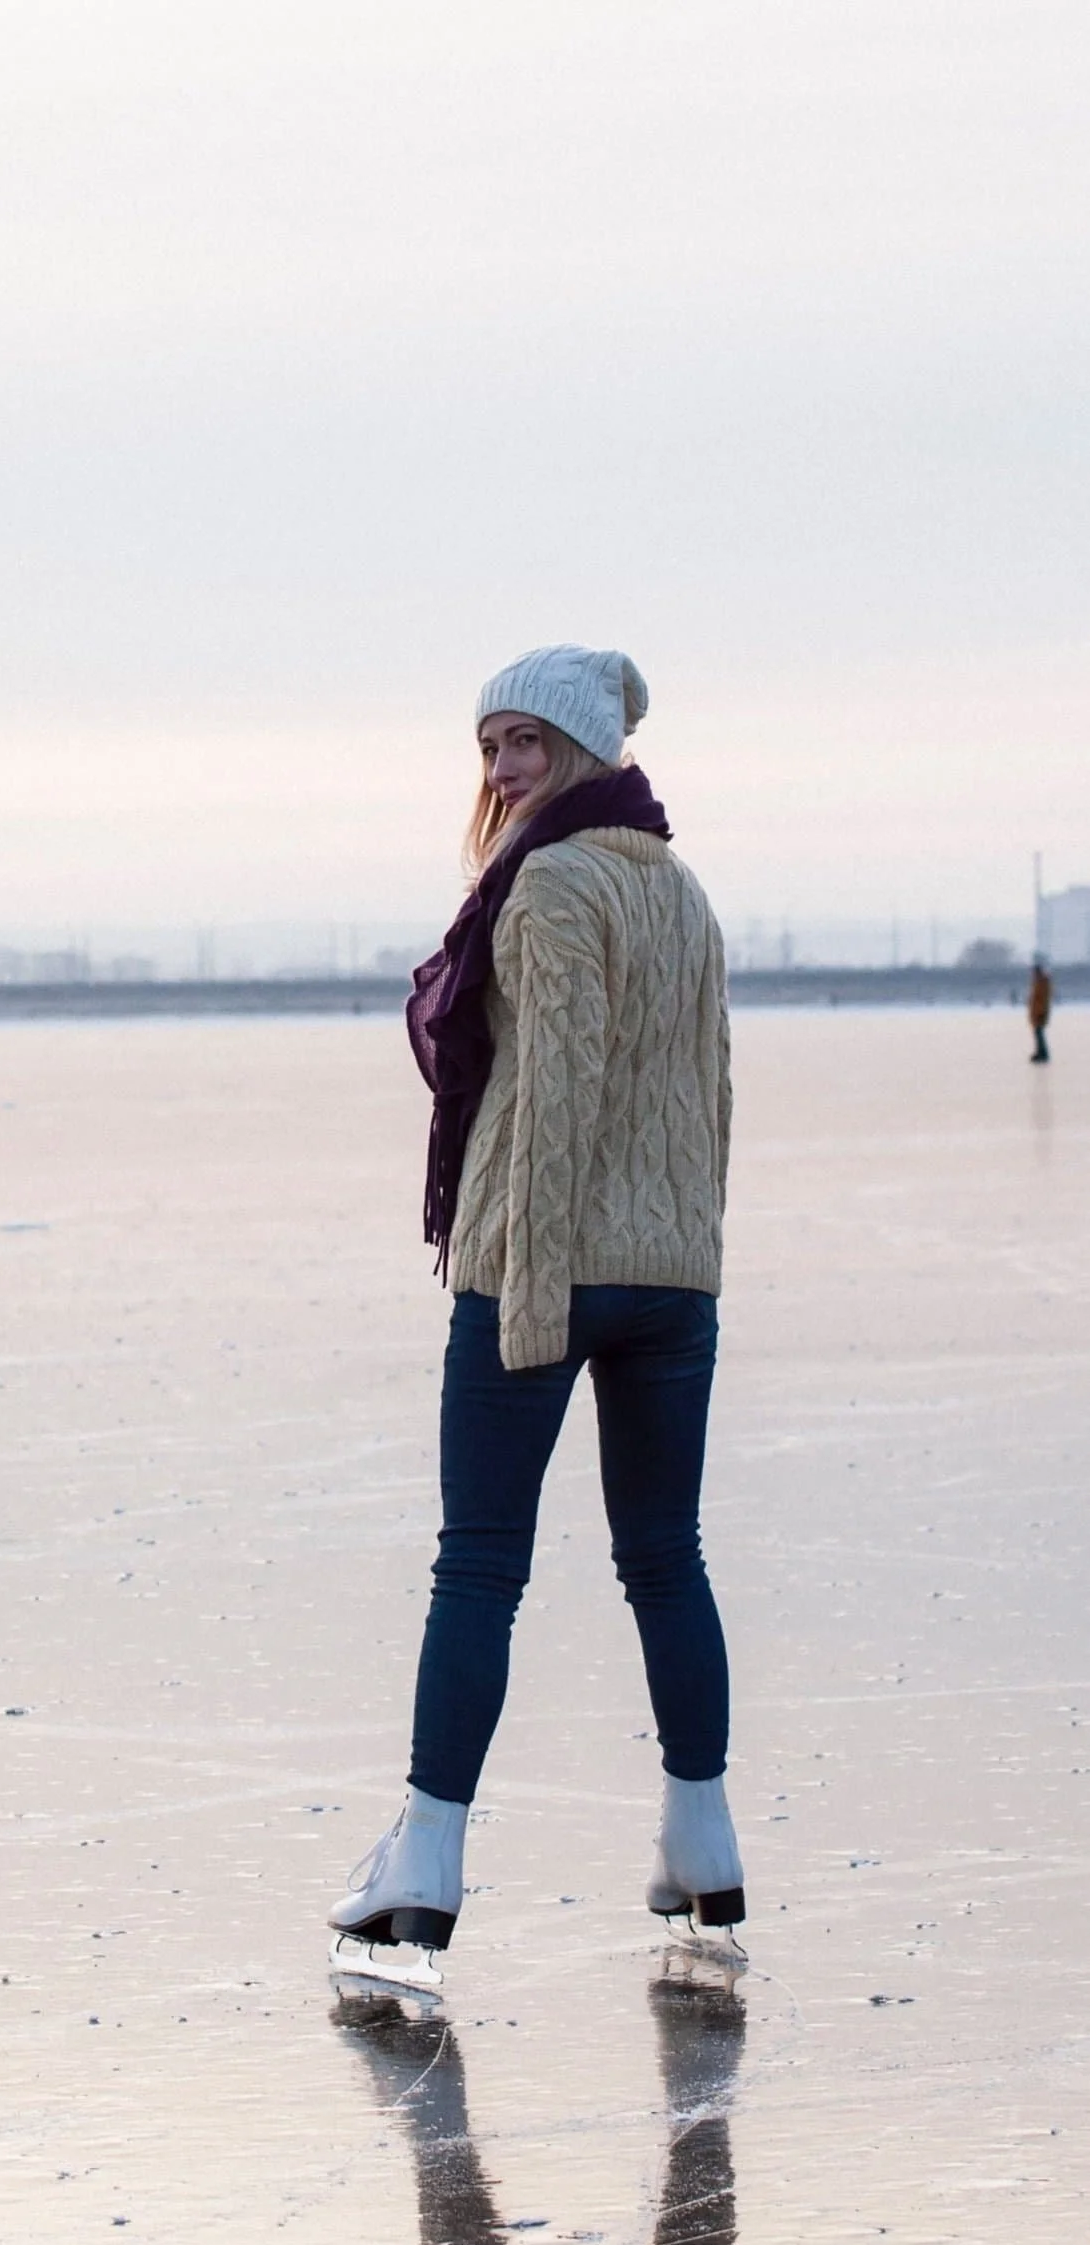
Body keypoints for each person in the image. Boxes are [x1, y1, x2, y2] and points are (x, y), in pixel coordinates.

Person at [329, 646, 742, 1999]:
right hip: (670, 1277)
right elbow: (709, 1098)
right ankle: (701, 1841)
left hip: (542, 1268)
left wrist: (532, 1301)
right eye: (488, 747)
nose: (501, 770)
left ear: (583, 750)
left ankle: (424, 1864)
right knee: (662, 1556)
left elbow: (556, 1092)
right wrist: (690, 1260)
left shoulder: (549, 883)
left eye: (523, 744)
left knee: (479, 1565)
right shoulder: (678, 892)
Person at [1029, 954, 1053, 1063]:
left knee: (1039, 1034)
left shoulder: (1042, 983)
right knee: (1038, 1034)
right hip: (1036, 1012)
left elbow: (1042, 999)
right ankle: (1040, 1052)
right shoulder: (1038, 982)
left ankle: (1043, 1053)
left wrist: (1040, 1012)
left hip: (1040, 1013)